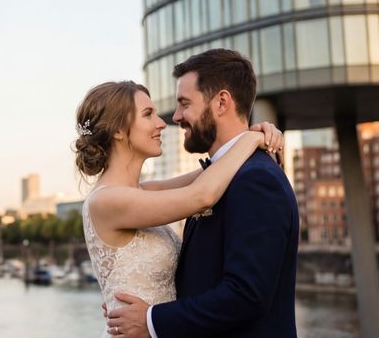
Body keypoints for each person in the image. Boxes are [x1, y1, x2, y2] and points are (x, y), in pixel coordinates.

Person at [105, 49, 300, 338]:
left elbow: (246, 295)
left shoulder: (256, 180)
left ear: (222, 102)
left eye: (185, 103)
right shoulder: (220, 176)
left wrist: (150, 320)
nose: (176, 116)